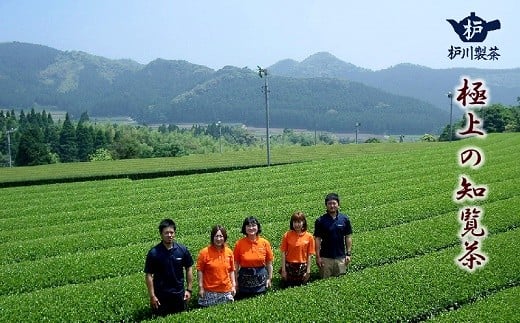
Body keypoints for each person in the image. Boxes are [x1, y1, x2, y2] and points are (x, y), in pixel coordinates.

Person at [144, 219, 194, 316]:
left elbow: (189, 268)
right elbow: (148, 275)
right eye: (166, 233)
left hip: (179, 295)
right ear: (161, 234)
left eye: (172, 232)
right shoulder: (154, 253)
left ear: (175, 233)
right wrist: (152, 296)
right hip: (161, 297)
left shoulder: (182, 250)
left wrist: (189, 289)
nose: (169, 235)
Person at [233, 216, 274, 299]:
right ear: (244, 228)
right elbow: (236, 264)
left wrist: (269, 278)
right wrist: (235, 281)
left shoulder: (264, 243)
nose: (251, 228)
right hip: (244, 277)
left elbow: (269, 263)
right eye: (248, 226)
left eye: (253, 225)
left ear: (258, 227)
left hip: (260, 277)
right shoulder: (239, 244)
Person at [314, 193, 353, 279]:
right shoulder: (320, 221)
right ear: (326, 205)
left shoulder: (344, 219)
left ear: (338, 205)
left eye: (334, 203)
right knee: (324, 282)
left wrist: (348, 254)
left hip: (341, 258)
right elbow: (317, 239)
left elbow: (348, 237)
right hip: (325, 258)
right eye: (329, 203)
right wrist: (318, 257)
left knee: (341, 281)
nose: (332, 206)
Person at [196, 224, 236, 307]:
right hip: (209, 292)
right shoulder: (204, 252)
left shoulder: (229, 252)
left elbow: (232, 270)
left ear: (224, 237)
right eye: (216, 236)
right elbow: (200, 271)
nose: (218, 239)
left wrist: (233, 286)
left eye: (221, 236)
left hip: (226, 290)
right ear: (212, 237)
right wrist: (201, 287)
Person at [279, 211, 316, 287]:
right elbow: (283, 253)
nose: (297, 224)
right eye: (295, 222)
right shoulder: (287, 235)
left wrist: (308, 271)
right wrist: (283, 270)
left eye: (299, 222)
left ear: (303, 223)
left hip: (302, 267)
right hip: (289, 266)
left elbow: (310, 255)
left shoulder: (309, 237)